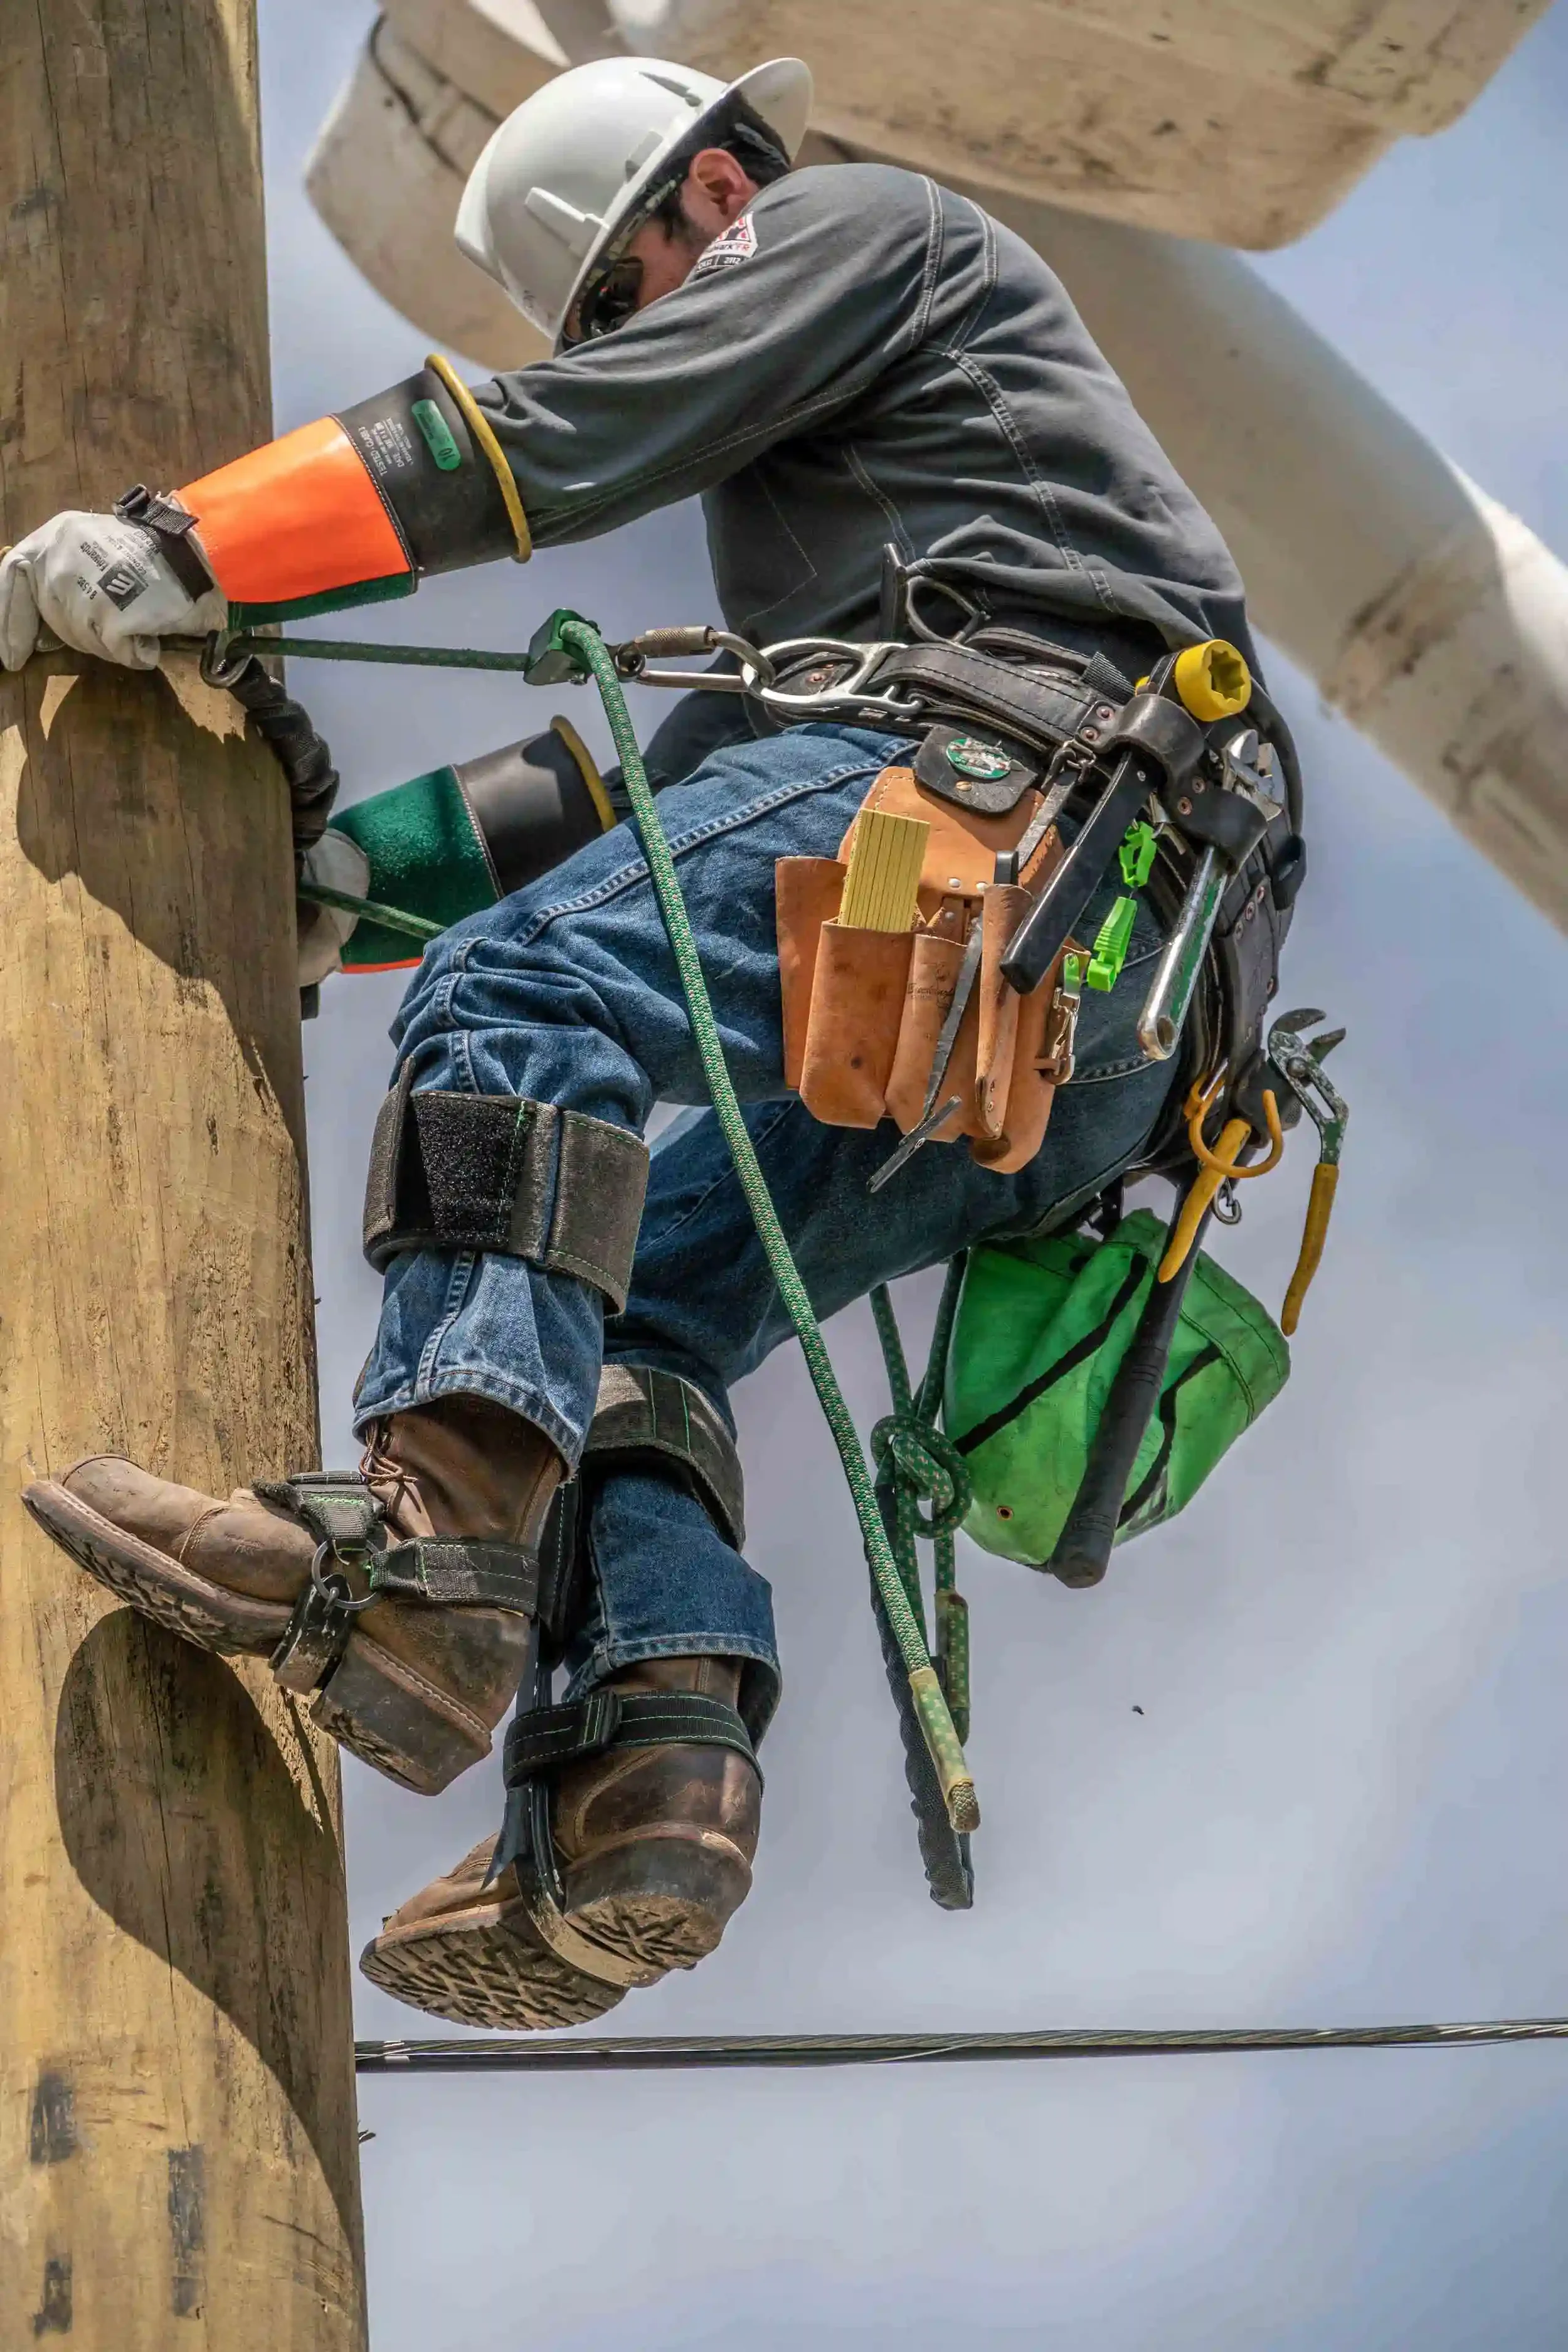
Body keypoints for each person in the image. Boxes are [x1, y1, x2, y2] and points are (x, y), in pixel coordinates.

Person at [1, 54, 1260, 2030]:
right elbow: (663, 801)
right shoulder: (880, 533)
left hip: (1032, 822)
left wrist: (195, 543)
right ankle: (651, 1771)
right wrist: (333, 882)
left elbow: (555, 451)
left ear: (744, 167)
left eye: (694, 203)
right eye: (624, 288)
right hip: (1103, 1002)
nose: (689, 260)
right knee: (645, 1307)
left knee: (518, 999)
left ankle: (425, 1559)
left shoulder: (868, 233)